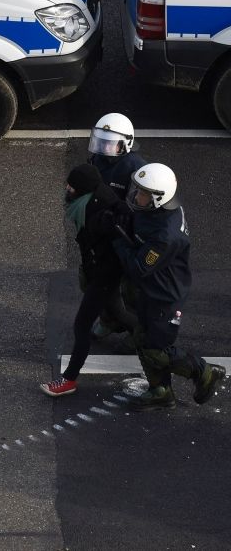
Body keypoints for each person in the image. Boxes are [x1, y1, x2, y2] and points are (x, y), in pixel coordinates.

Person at [111, 163, 226, 411]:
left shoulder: (165, 236)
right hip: (151, 289)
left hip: (163, 297)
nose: (136, 196)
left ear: (158, 198)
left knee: (157, 350)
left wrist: (118, 241)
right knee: (143, 337)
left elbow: (138, 266)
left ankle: (203, 372)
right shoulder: (155, 210)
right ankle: (160, 390)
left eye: (142, 194)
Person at [40, 164, 137, 397]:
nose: (67, 189)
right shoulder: (89, 202)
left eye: (71, 187)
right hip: (99, 272)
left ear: (83, 190)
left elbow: (113, 244)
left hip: (104, 275)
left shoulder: (103, 213)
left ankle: (69, 380)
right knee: (116, 310)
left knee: (81, 325)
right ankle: (145, 333)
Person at [87, 113, 148, 341]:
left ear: (126, 143)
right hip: (100, 231)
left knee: (130, 291)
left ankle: (139, 333)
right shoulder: (97, 160)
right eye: (100, 142)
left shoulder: (136, 168)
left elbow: (140, 207)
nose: (104, 148)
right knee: (92, 282)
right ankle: (108, 319)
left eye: (110, 143)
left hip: (124, 235)